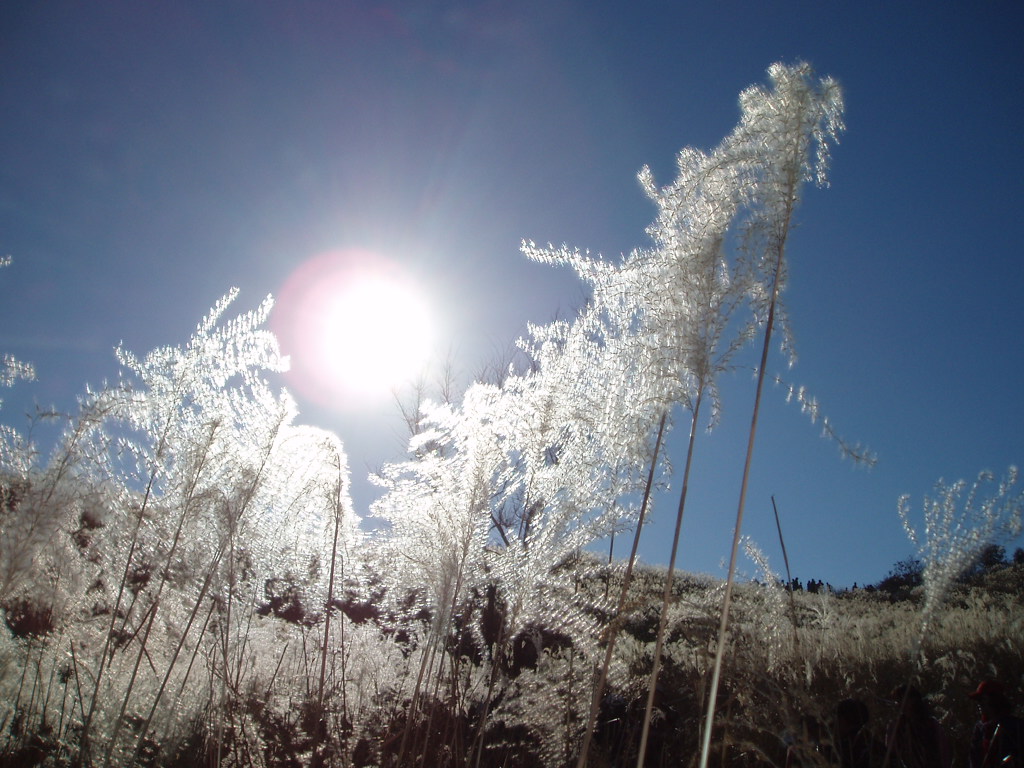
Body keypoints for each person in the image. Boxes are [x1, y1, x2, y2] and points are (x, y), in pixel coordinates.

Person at [886, 685, 952, 768]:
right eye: (898, 701)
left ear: (915, 700)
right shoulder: (895, 727)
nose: (900, 704)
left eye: (904, 700)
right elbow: (891, 755)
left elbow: (944, 754)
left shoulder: (931, 724)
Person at [968, 680, 1024, 768]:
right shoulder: (979, 728)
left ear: (994, 700)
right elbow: (974, 758)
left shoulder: (1015, 726)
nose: (979, 704)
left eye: (983, 699)